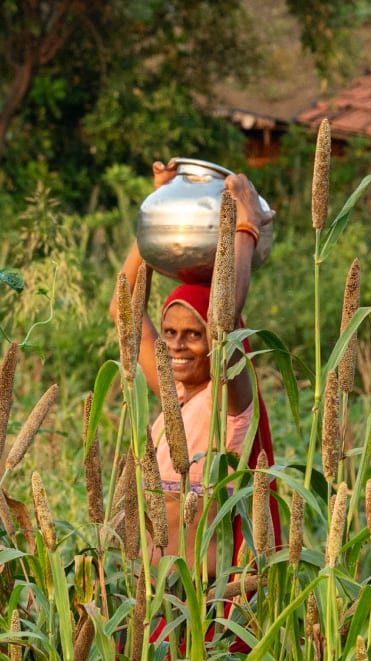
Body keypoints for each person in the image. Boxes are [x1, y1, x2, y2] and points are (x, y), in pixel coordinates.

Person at [109, 159, 278, 568]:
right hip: (157, 611)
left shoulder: (230, 402)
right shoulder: (177, 397)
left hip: (206, 614)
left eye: (193, 334)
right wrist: (155, 219)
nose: (177, 346)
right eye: (169, 332)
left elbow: (224, 326)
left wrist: (246, 228)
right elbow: (122, 310)